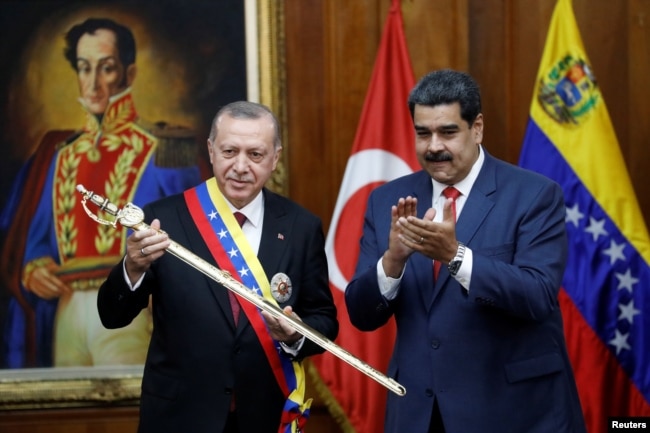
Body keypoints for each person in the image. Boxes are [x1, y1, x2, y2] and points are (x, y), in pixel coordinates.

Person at [345, 69, 587, 433]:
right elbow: (361, 314)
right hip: (421, 415)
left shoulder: (534, 195)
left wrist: (456, 256)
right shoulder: (386, 201)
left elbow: (538, 296)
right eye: (422, 133)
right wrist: (393, 260)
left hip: (513, 411)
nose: (434, 146)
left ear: (476, 128)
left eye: (448, 132)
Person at [96, 101, 339, 433]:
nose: (240, 166)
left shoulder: (301, 226)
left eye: (255, 154)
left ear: (275, 159)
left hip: (264, 416)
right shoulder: (163, 218)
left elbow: (324, 319)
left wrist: (296, 336)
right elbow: (112, 316)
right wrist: (133, 268)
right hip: (179, 417)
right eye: (229, 152)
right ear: (211, 151)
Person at [0, 17, 201, 368]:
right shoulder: (57, 155)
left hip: (134, 305)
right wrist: (34, 268)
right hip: (67, 308)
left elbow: (194, 237)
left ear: (129, 73)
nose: (92, 83)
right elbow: (36, 240)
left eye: (106, 68)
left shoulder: (165, 152)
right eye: (84, 68)